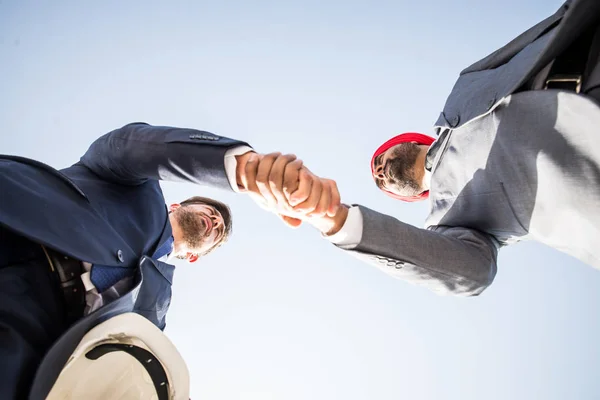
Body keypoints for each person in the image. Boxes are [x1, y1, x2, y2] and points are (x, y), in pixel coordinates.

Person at [247, 0, 600, 297]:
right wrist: (334, 219)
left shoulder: (462, 91)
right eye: (379, 182)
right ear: (410, 196)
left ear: (411, 142)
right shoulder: (448, 224)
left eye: (380, 161)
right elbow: (470, 273)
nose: (380, 171)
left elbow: (543, 34)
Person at [0, 122, 339, 399]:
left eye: (217, 233)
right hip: (16, 231)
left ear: (194, 257)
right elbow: (137, 146)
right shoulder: (133, 183)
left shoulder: (155, 307)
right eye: (211, 211)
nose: (216, 222)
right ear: (176, 206)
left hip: (33, 343)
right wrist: (244, 169)